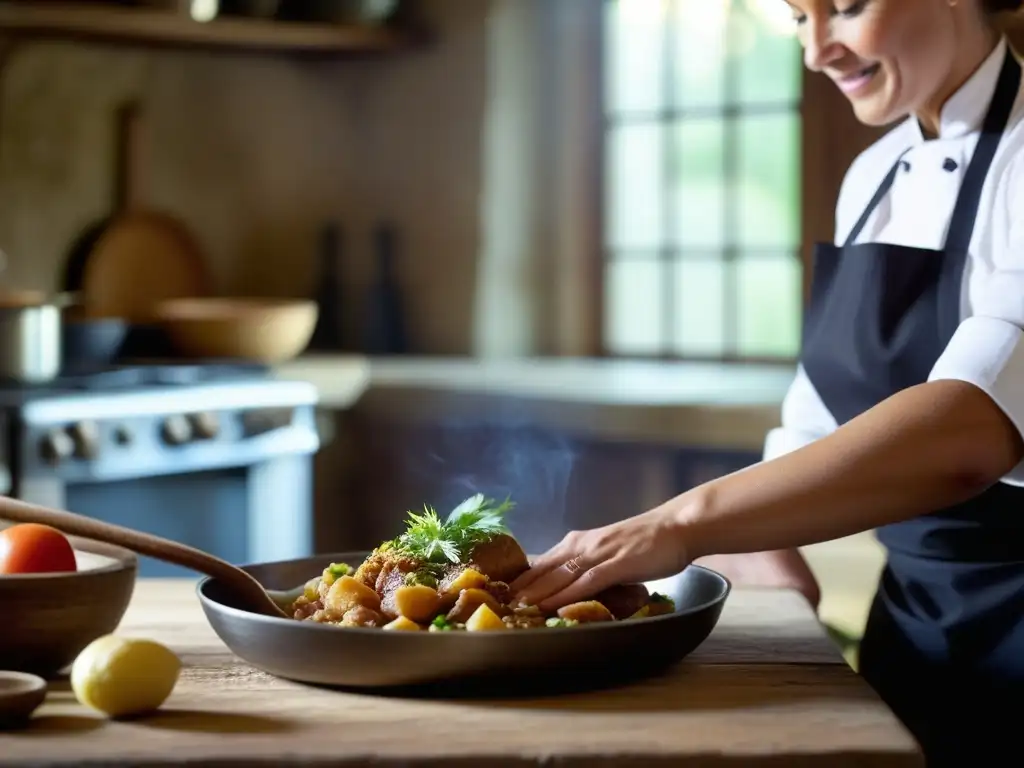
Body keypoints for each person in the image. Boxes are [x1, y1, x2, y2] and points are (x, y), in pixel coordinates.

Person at [511, 0, 1024, 764]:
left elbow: (971, 426)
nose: (817, 50)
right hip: (913, 637)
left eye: (845, 7)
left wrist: (682, 524)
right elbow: (818, 430)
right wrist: (758, 544)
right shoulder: (873, 178)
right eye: (796, 16)